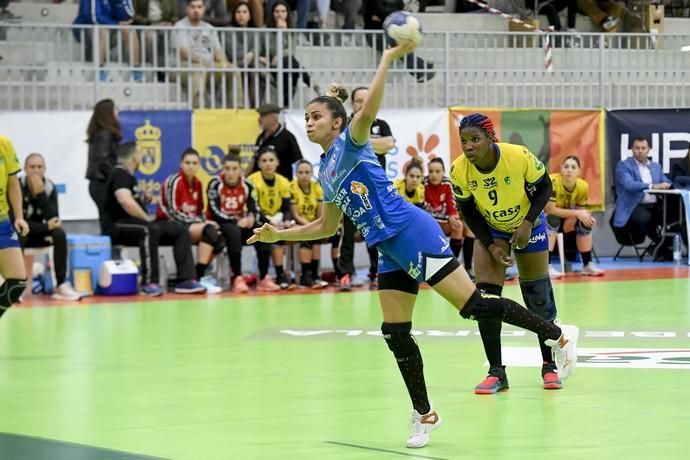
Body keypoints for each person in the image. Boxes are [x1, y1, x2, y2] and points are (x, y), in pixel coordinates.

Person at [247, 42, 579, 448]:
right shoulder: (325, 169)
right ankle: (426, 415)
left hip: (411, 231)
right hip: (388, 247)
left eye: (316, 116)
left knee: (473, 306)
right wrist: (280, 234)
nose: (309, 121)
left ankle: (559, 335)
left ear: (337, 123)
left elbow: (367, 111)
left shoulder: (352, 143)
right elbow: (324, 224)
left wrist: (388, 58)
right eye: (307, 117)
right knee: (395, 332)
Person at [449, 113, 570, 394]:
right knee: (486, 300)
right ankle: (496, 372)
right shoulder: (458, 170)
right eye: (464, 141)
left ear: (490, 138)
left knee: (537, 296)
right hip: (491, 231)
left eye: (475, 139)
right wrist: (490, 244)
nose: (468, 146)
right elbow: (467, 211)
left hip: (529, 224)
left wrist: (528, 223)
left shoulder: (518, 156)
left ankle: (549, 365)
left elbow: (545, 188)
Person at [102, 142, 206, 296]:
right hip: (117, 226)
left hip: (133, 225)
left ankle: (185, 280)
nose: (142, 157)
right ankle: (149, 282)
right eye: (140, 154)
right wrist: (146, 219)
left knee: (179, 230)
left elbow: (131, 200)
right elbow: (125, 201)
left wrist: (143, 199)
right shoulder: (119, 173)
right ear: (134, 157)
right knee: (149, 229)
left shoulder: (129, 178)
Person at [337, 86, 395, 292]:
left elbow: (388, 144)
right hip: (350, 189)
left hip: (374, 190)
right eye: (358, 100)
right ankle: (345, 274)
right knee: (348, 234)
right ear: (352, 103)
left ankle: (376, 272)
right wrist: (369, 143)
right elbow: (341, 146)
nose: (362, 104)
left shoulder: (380, 124)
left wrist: (359, 142)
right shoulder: (344, 125)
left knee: (377, 232)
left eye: (366, 99)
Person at [157, 148, 225, 294]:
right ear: (181, 164)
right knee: (209, 231)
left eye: (194, 163)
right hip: (168, 224)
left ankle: (198, 276)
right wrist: (200, 223)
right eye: (187, 163)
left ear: (199, 165)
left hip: (190, 225)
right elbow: (172, 212)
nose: (191, 166)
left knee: (219, 237)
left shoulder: (198, 184)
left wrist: (203, 221)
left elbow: (199, 211)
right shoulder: (174, 181)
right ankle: (197, 277)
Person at [20, 153, 82, 301]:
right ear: (25, 169)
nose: (36, 170)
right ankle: (16, 286)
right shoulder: (17, 186)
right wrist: (45, 226)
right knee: (17, 232)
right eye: (32, 167)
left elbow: (54, 219)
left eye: (39, 167)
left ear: (45, 169)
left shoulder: (49, 187)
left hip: (41, 234)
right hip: (23, 234)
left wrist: (41, 194)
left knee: (59, 234)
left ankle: (60, 285)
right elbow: (18, 221)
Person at [206, 153, 265, 293]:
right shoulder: (215, 184)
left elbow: (254, 207)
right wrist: (236, 221)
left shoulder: (247, 184)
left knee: (261, 230)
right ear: (222, 169)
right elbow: (215, 212)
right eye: (227, 168)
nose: (230, 172)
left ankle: (263, 278)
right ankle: (237, 277)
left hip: (240, 222)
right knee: (233, 231)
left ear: (240, 170)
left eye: (234, 168)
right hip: (220, 224)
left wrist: (251, 217)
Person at [172, 0, 243, 108]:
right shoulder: (180, 26)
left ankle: (236, 109)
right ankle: (199, 110)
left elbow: (218, 52)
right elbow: (185, 54)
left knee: (234, 70)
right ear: (187, 9)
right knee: (198, 69)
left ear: (204, 9)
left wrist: (224, 63)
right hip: (183, 67)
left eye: (199, 7)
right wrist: (208, 64)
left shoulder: (209, 28)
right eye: (193, 7)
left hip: (208, 66)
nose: (196, 10)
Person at [545, 155, 604, 278]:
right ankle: (546, 267)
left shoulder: (583, 186)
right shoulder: (553, 182)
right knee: (553, 220)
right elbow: (550, 209)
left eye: (573, 167)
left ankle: (587, 265)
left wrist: (586, 217)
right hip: (544, 219)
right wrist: (577, 213)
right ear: (561, 169)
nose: (569, 170)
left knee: (585, 223)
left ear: (579, 171)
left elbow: (580, 212)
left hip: (566, 221)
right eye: (566, 167)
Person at [613, 136, 672, 258]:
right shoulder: (623, 166)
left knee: (677, 215)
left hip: (655, 205)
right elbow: (629, 184)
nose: (640, 150)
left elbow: (666, 181)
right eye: (637, 148)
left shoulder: (656, 166)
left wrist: (668, 185)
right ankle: (663, 246)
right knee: (645, 218)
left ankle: (662, 247)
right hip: (634, 205)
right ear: (632, 149)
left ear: (648, 149)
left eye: (643, 148)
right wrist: (652, 186)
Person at [246, 148, 295, 290]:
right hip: (259, 218)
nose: (268, 164)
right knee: (269, 233)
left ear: (277, 163)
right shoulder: (252, 180)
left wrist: (285, 220)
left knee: (288, 230)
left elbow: (287, 208)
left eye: (271, 160)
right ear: (259, 164)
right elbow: (253, 207)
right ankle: (278, 275)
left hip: (277, 218)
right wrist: (272, 223)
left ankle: (305, 274)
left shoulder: (284, 181)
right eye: (264, 161)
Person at [262, 1, 319, 107]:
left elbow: (290, 49)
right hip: (271, 62)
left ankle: (285, 106)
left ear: (287, 13)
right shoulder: (266, 29)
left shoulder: (291, 30)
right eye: (277, 11)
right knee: (292, 66)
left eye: (283, 11)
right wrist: (280, 32)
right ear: (272, 13)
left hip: (284, 63)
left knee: (290, 68)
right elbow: (270, 49)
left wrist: (283, 32)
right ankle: (310, 82)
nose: (280, 14)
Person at [362, 0, 434, 83]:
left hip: (392, 33)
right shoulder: (373, 2)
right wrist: (389, 17)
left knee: (400, 43)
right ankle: (420, 68)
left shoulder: (398, 1)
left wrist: (385, 18)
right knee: (398, 44)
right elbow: (383, 14)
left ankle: (420, 69)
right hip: (374, 35)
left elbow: (399, 15)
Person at [73, 0, 142, 82]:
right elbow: (95, 17)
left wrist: (119, 3)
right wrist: (116, 24)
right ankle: (100, 72)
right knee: (101, 30)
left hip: (109, 27)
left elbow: (129, 16)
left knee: (130, 30)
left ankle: (137, 71)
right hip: (86, 27)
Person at [289, 160, 330, 288]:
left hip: (313, 223)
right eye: (300, 172)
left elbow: (320, 212)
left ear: (312, 173)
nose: (304, 175)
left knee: (321, 235)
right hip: (297, 223)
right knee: (307, 236)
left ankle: (315, 275)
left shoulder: (317, 188)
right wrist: (310, 227)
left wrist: (318, 226)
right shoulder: (292, 187)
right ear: (296, 173)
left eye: (307, 172)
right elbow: (295, 215)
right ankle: (305, 276)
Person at [423, 157, 470, 266]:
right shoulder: (423, 183)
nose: (434, 175)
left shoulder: (447, 183)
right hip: (429, 223)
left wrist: (453, 216)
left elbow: (451, 204)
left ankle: (451, 264)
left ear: (443, 172)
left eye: (437, 171)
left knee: (458, 226)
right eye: (431, 171)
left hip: (444, 222)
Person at [0, 136, 28, 320]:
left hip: (2, 220)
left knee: (16, 282)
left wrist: (18, 216)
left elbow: (13, 183)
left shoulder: (4, 144)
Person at [85, 99, 121, 232]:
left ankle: (112, 250)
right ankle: (111, 251)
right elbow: (104, 161)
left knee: (107, 220)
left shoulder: (100, 133)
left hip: (99, 182)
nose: (117, 112)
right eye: (114, 109)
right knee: (109, 222)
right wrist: (117, 178)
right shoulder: (106, 133)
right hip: (102, 183)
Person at [253, 103, 303, 180]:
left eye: (262, 116)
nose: (259, 119)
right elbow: (254, 160)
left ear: (273, 118)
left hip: (282, 187)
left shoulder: (288, 137)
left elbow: (299, 162)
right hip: (260, 185)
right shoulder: (260, 138)